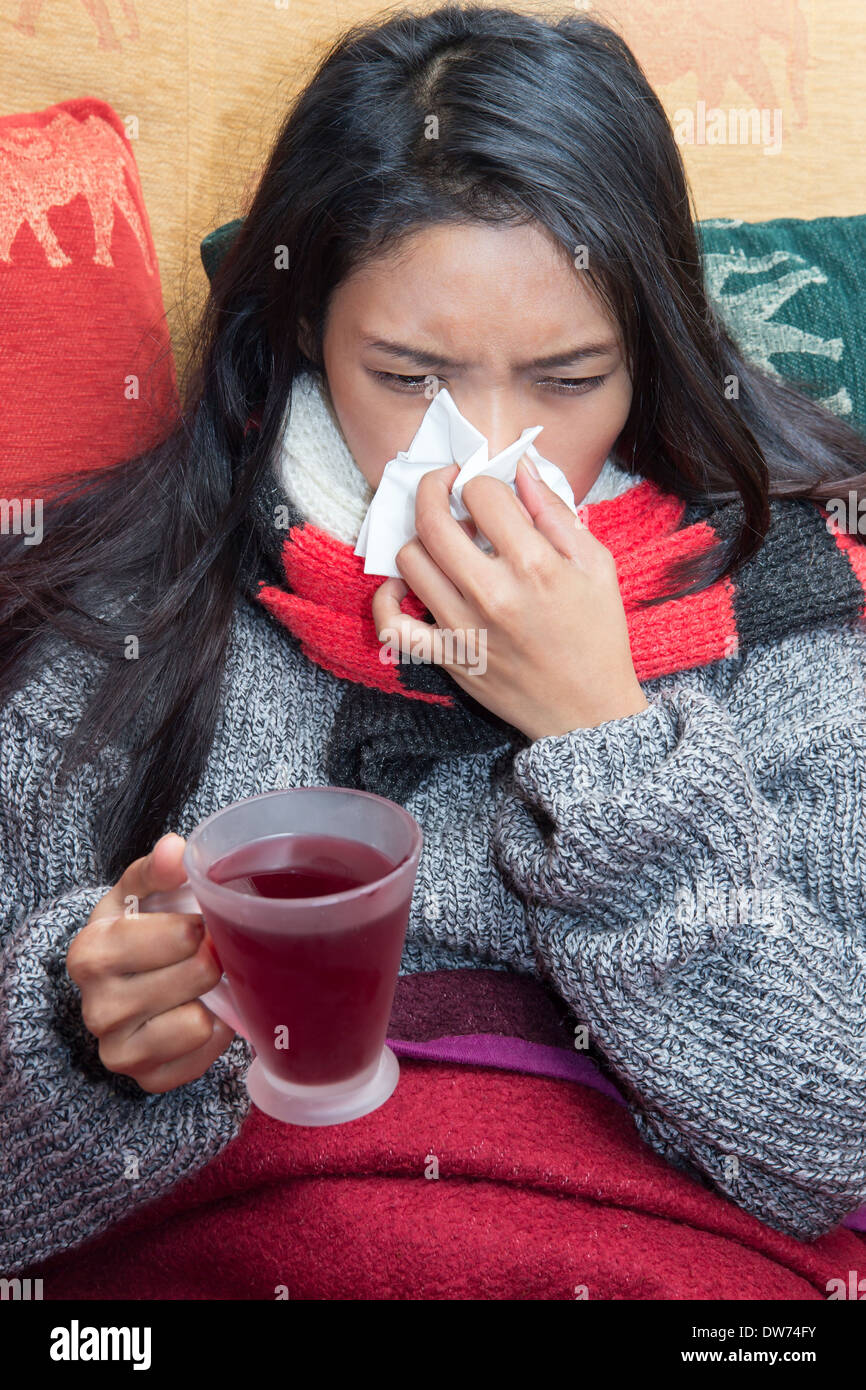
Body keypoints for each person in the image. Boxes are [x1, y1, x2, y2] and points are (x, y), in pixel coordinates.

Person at [2, 3, 865, 1276]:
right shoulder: (118, 610)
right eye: (408, 376)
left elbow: (826, 1140)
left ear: (651, 357)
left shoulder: (786, 610)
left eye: (568, 379)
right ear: (304, 331)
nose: (479, 455)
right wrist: (77, 1039)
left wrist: (604, 734)